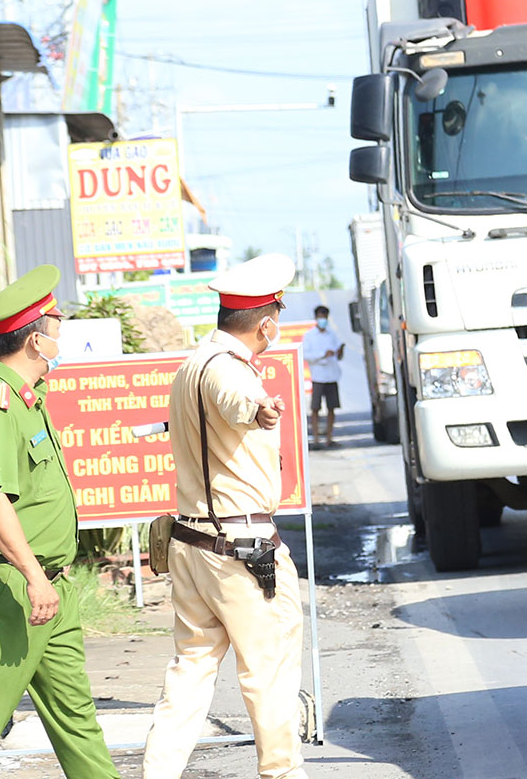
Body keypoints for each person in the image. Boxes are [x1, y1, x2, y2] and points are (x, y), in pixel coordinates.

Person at [0, 265, 121, 779]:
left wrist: (47, 580)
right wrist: (35, 577)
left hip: (48, 589)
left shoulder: (27, 402)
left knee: (77, 719)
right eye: (57, 326)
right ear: (36, 340)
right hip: (12, 591)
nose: (62, 335)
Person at [142, 253, 308, 779]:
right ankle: (283, 774)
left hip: (192, 546)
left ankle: (158, 773)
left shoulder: (190, 365)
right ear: (267, 323)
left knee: (189, 673)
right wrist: (259, 408)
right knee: (269, 671)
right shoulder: (230, 373)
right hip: (240, 552)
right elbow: (238, 400)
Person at [301, 305, 345, 448]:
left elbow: (339, 355)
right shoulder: (309, 336)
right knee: (315, 408)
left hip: (331, 375)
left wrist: (339, 351)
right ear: (316, 318)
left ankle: (329, 438)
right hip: (318, 376)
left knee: (331, 408)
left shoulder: (332, 335)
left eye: (324, 317)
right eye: (320, 317)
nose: (322, 320)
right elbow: (306, 355)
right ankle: (315, 440)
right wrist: (322, 355)